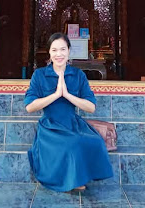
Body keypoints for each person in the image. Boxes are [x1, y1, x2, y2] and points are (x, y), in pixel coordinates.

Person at [24, 32, 113, 192]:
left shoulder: (78, 75)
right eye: (54, 50)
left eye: (63, 49)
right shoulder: (40, 75)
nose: (59, 54)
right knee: (71, 144)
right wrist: (56, 95)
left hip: (73, 122)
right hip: (50, 126)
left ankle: (82, 176)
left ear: (69, 51)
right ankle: (72, 180)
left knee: (95, 142)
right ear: (49, 52)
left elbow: (91, 107)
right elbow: (30, 107)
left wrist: (67, 95)